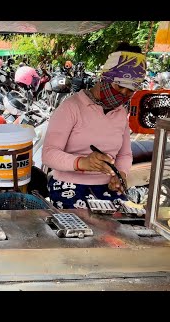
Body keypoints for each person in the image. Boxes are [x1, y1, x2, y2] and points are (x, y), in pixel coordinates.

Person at [42, 45, 147, 209]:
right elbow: (48, 154)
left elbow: (125, 154)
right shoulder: (71, 107)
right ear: (104, 77)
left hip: (108, 190)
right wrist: (83, 163)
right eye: (119, 86)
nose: (123, 94)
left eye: (130, 91)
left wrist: (121, 175)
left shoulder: (121, 113)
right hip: (68, 187)